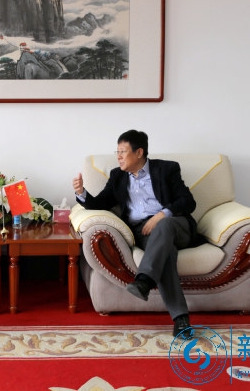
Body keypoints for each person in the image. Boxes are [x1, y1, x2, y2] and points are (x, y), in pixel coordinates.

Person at [72, 130, 197, 338]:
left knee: (164, 226)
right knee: (166, 253)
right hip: (144, 232)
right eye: (117, 152)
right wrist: (81, 193)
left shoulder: (167, 169)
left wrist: (161, 215)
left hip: (175, 225)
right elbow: (100, 203)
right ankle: (181, 320)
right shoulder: (117, 176)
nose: (118, 156)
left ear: (139, 152)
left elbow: (188, 202)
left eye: (123, 151)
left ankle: (144, 280)